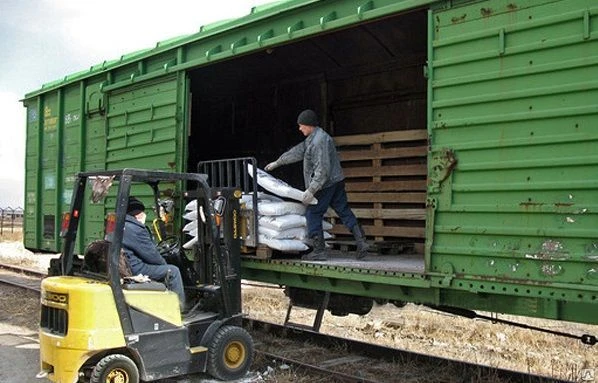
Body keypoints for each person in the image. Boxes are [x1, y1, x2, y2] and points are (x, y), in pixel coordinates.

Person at [265, 109, 369, 261]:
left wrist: (311, 190)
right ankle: (361, 241)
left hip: (325, 185)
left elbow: (322, 171)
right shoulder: (314, 138)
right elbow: (298, 151)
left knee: (313, 213)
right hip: (336, 181)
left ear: (309, 125)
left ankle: (319, 250)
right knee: (343, 210)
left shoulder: (319, 141)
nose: (300, 128)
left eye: (301, 126)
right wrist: (278, 162)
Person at [122, 197, 186, 309]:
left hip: (127, 264)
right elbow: (152, 256)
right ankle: (179, 310)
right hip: (135, 268)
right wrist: (164, 264)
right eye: (142, 213)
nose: (144, 215)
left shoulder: (120, 225)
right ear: (137, 215)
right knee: (173, 271)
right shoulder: (136, 229)